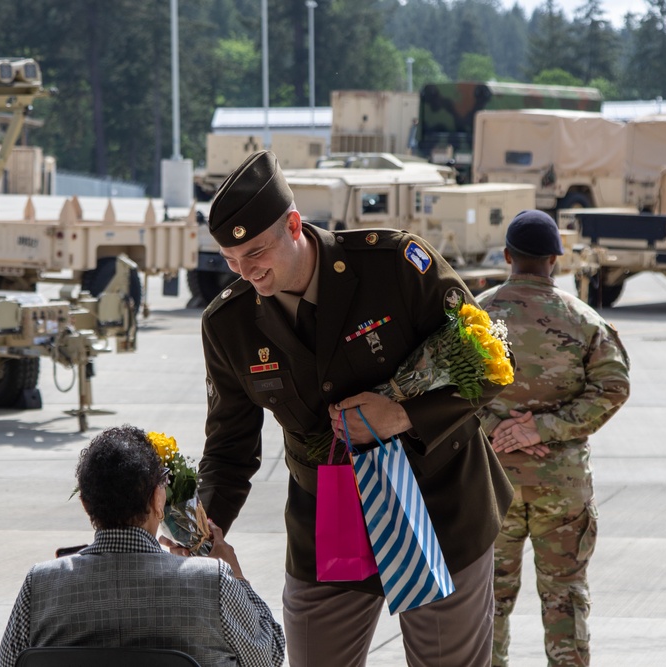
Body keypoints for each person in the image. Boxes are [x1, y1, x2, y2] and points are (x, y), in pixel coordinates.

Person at [197, 150, 513, 667]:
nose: (246, 272)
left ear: (294, 225)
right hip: (330, 523)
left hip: (438, 510)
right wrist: (209, 524)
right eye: (231, 261)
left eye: (256, 252)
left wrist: (405, 416)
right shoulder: (228, 324)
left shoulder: (394, 265)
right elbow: (229, 448)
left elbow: (494, 364)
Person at [475, 210, 631, 667]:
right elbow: (614, 387)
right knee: (565, 596)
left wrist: (498, 431)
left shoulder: (475, 317)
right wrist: (541, 428)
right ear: (555, 262)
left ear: (507, 256)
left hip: (490, 485)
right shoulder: (583, 320)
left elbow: (441, 390)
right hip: (561, 487)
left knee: (488, 599)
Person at [0, 425, 285, 667]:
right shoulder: (214, 581)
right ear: (158, 499)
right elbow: (269, 656)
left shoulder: (40, 585)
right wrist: (236, 575)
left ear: (85, 503)